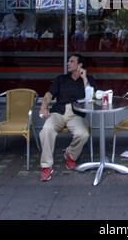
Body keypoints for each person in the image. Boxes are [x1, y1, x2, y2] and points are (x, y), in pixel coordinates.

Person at [39, 53, 95, 182]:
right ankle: (46, 166)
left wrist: (85, 78)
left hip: (76, 113)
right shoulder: (61, 79)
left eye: (71, 61)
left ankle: (70, 155)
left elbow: (91, 98)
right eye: (68, 61)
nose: (68, 63)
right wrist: (43, 106)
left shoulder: (89, 79)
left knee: (83, 134)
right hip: (58, 112)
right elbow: (48, 94)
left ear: (80, 65)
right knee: (46, 130)